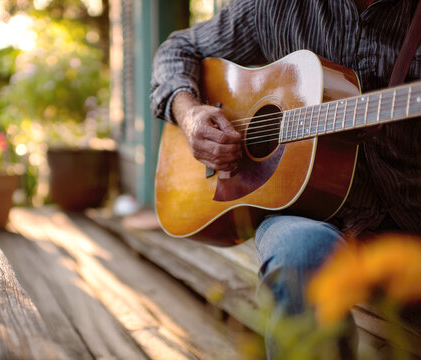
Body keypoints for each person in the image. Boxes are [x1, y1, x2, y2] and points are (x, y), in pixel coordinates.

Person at [150, 0, 420, 357]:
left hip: (409, 213)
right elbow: (177, 48)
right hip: (305, 210)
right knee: (300, 253)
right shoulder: (276, 6)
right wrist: (190, 115)